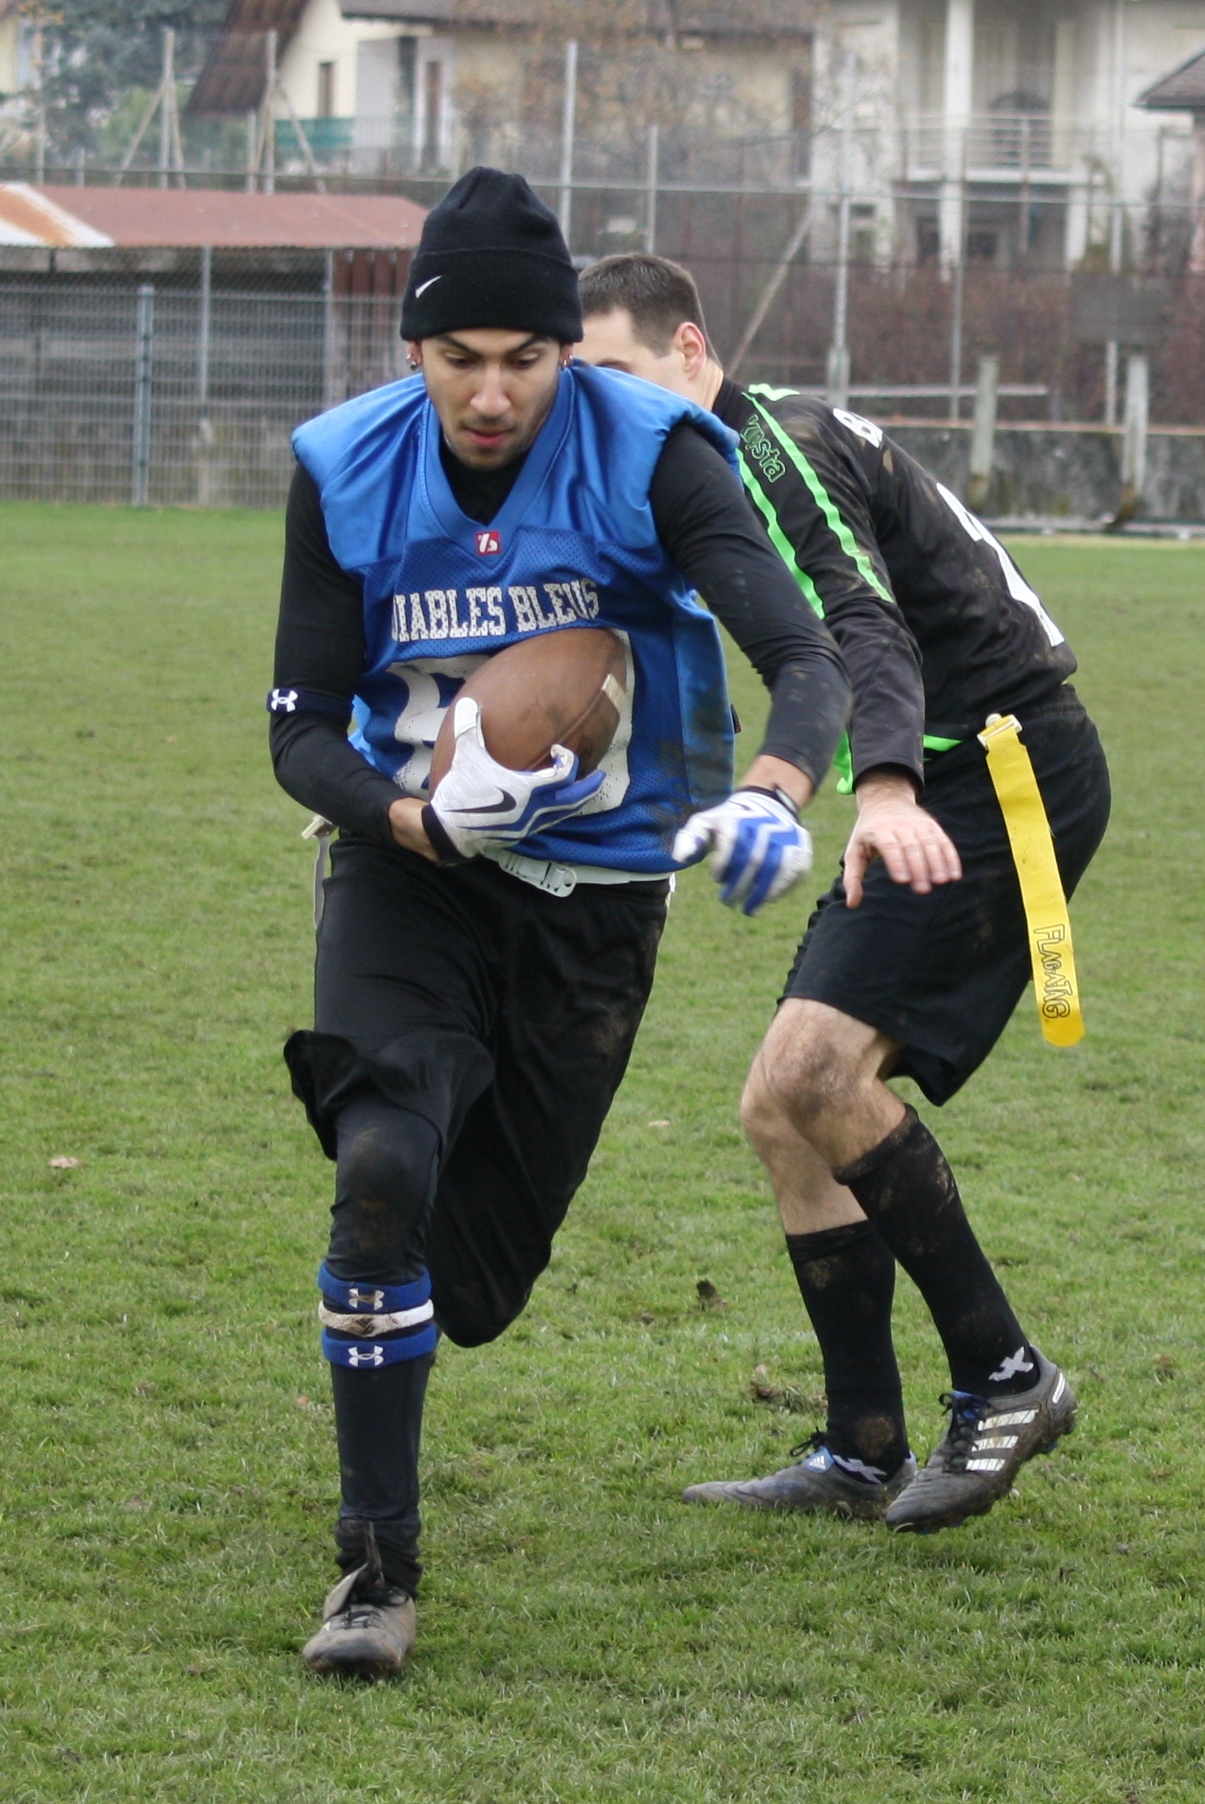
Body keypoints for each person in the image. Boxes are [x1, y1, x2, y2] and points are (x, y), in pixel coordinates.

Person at [269, 170, 851, 1676]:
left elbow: (800, 645)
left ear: (561, 352)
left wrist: (780, 785)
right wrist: (411, 817)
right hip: (410, 871)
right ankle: (373, 1572)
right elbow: (295, 730)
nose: (488, 392)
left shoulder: (654, 450)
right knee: (385, 1165)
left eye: (523, 358)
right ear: (414, 351)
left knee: (471, 1285)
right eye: (456, 357)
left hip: (596, 903)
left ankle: (401, 1253)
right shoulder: (343, 466)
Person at [578, 253, 1111, 1534]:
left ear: (691, 350)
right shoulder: (694, 464)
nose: (604, 409)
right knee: (778, 1104)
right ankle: (861, 1442)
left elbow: (865, 626)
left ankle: (1003, 1372)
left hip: (993, 773)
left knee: (816, 1076)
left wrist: (877, 786)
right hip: (936, 772)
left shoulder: (771, 448)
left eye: (617, 376)